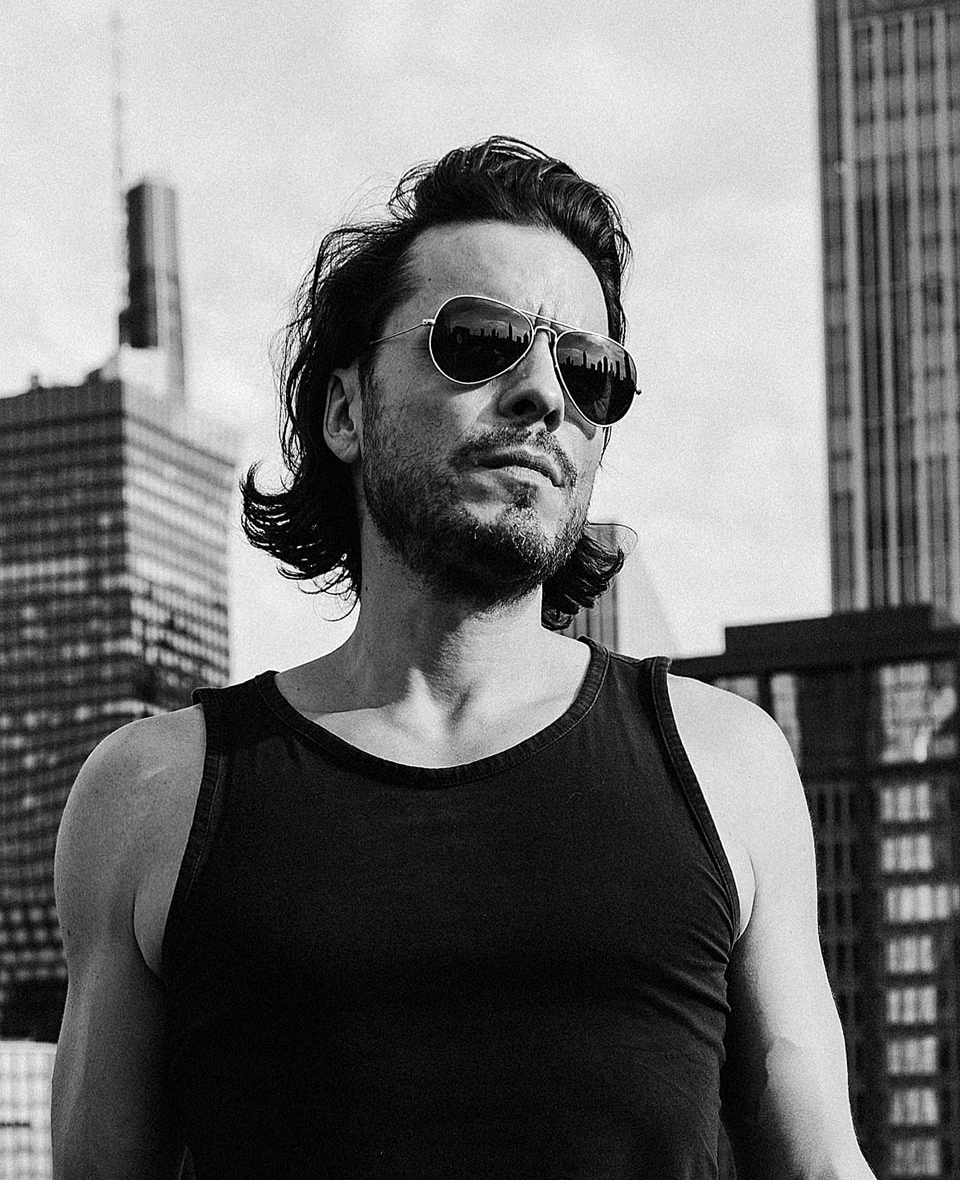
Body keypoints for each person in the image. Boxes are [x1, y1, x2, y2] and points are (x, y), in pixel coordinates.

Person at [51, 137, 875, 1180]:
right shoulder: (154, 793)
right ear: (346, 410)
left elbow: (821, 1164)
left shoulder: (729, 767)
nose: (544, 396)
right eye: (481, 341)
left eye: (589, 371)